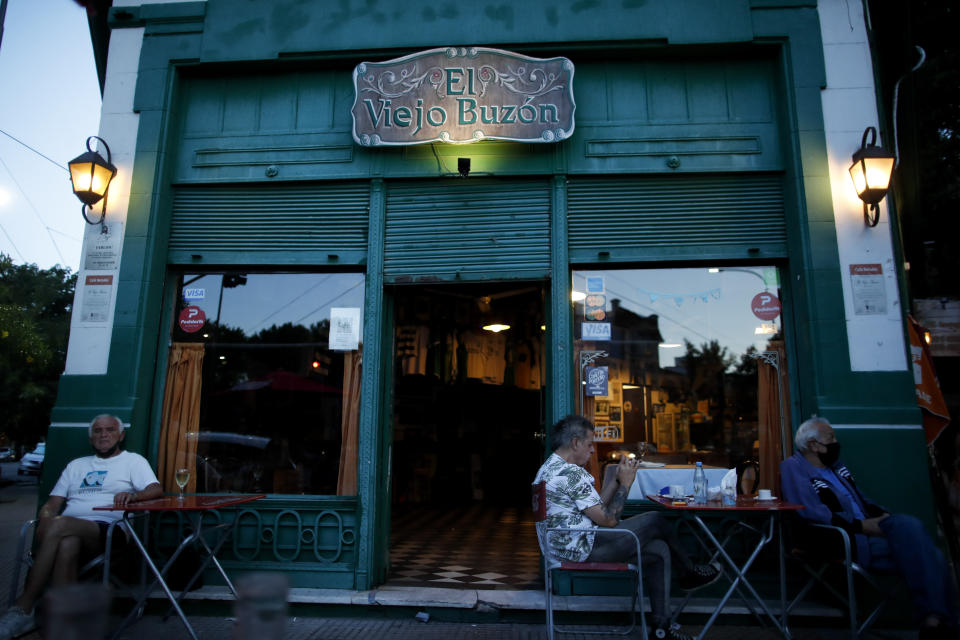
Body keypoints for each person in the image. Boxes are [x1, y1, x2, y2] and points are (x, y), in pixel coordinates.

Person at [533, 415, 721, 640]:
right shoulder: (570, 474)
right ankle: (689, 572)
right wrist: (628, 484)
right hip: (581, 549)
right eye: (590, 444)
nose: (592, 451)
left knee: (659, 550)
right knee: (655, 520)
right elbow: (609, 520)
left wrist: (615, 481)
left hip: (569, 544)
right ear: (575, 443)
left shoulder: (549, 468)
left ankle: (662, 629)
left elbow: (596, 511)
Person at [781, 416, 958, 639]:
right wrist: (861, 526)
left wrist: (880, 516)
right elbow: (810, 511)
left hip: (871, 529)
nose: (836, 442)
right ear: (814, 445)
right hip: (847, 537)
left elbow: (862, 500)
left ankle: (935, 623)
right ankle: (937, 623)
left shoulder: (837, 468)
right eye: (831, 438)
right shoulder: (794, 468)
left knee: (916, 537)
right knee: (931, 554)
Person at [0, 414, 162, 640]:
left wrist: (134, 495)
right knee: (67, 544)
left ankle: (25, 605)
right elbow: (52, 504)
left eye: (109, 430)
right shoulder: (76, 465)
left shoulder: (133, 461)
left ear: (121, 435)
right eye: (97, 431)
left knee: (61, 525)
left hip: (109, 530)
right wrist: (46, 517)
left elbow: (155, 489)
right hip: (67, 532)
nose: (103, 435)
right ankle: (64, 625)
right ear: (91, 438)